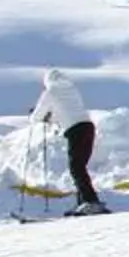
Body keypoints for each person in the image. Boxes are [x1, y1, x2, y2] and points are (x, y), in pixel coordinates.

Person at [33, 68, 105, 214]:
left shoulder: (50, 91)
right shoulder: (72, 89)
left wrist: (36, 117)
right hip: (88, 127)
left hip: (75, 130)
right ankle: (84, 202)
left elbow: (37, 116)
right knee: (79, 166)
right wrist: (52, 118)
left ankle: (91, 202)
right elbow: (66, 111)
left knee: (76, 167)